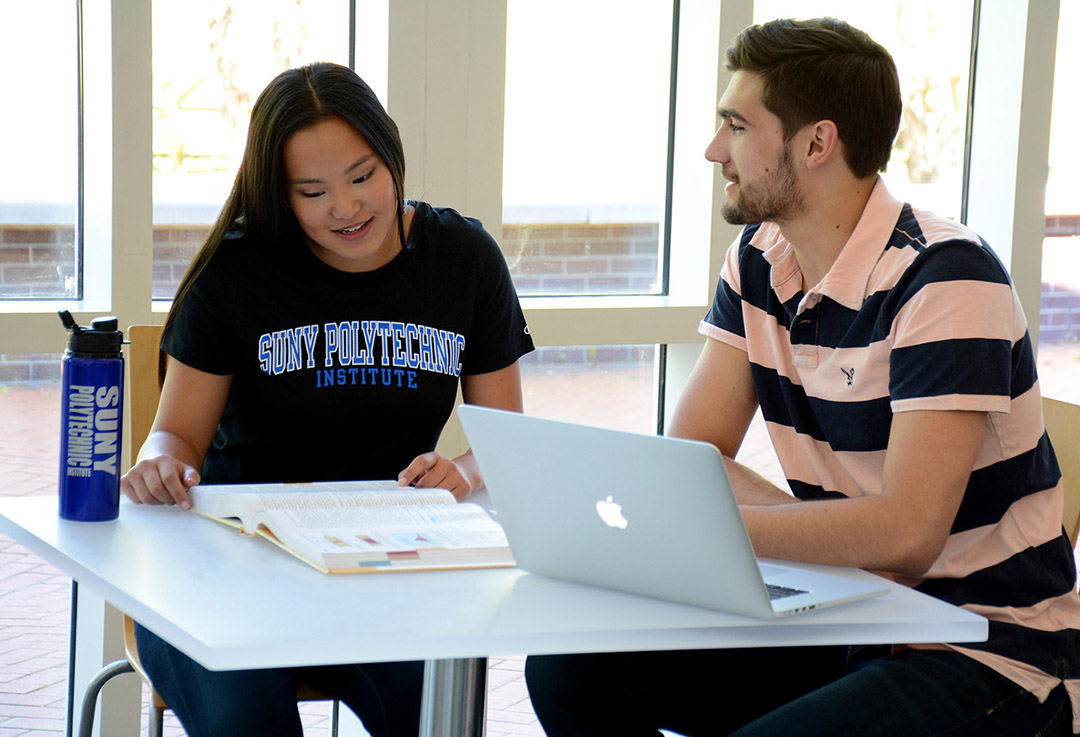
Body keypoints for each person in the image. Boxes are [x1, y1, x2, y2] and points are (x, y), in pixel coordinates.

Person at [525, 17, 1080, 737]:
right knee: (569, 667)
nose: (712, 149)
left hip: (987, 650)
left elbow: (906, 535)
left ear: (817, 142)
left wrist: (714, 530)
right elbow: (692, 458)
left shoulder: (946, 278)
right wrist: (826, 532)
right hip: (850, 616)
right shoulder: (759, 258)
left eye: (735, 125)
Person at [120, 61, 534, 737]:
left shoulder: (464, 258)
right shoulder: (236, 271)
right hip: (230, 572)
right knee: (248, 720)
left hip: (384, 570)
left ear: (391, 154)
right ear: (280, 195)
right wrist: (161, 463)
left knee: (436, 712)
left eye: (362, 176)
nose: (345, 207)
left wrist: (465, 468)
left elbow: (504, 439)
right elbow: (176, 439)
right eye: (312, 191)